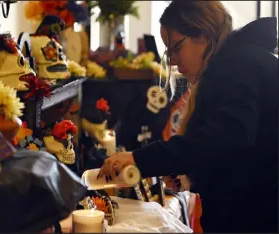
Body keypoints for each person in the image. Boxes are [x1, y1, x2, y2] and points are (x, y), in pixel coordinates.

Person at [98, 1, 278, 232]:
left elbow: (229, 136)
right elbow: (240, 155)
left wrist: (140, 159)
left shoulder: (238, 65)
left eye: (175, 48)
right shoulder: (241, 60)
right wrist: (194, 176)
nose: (172, 60)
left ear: (202, 34)